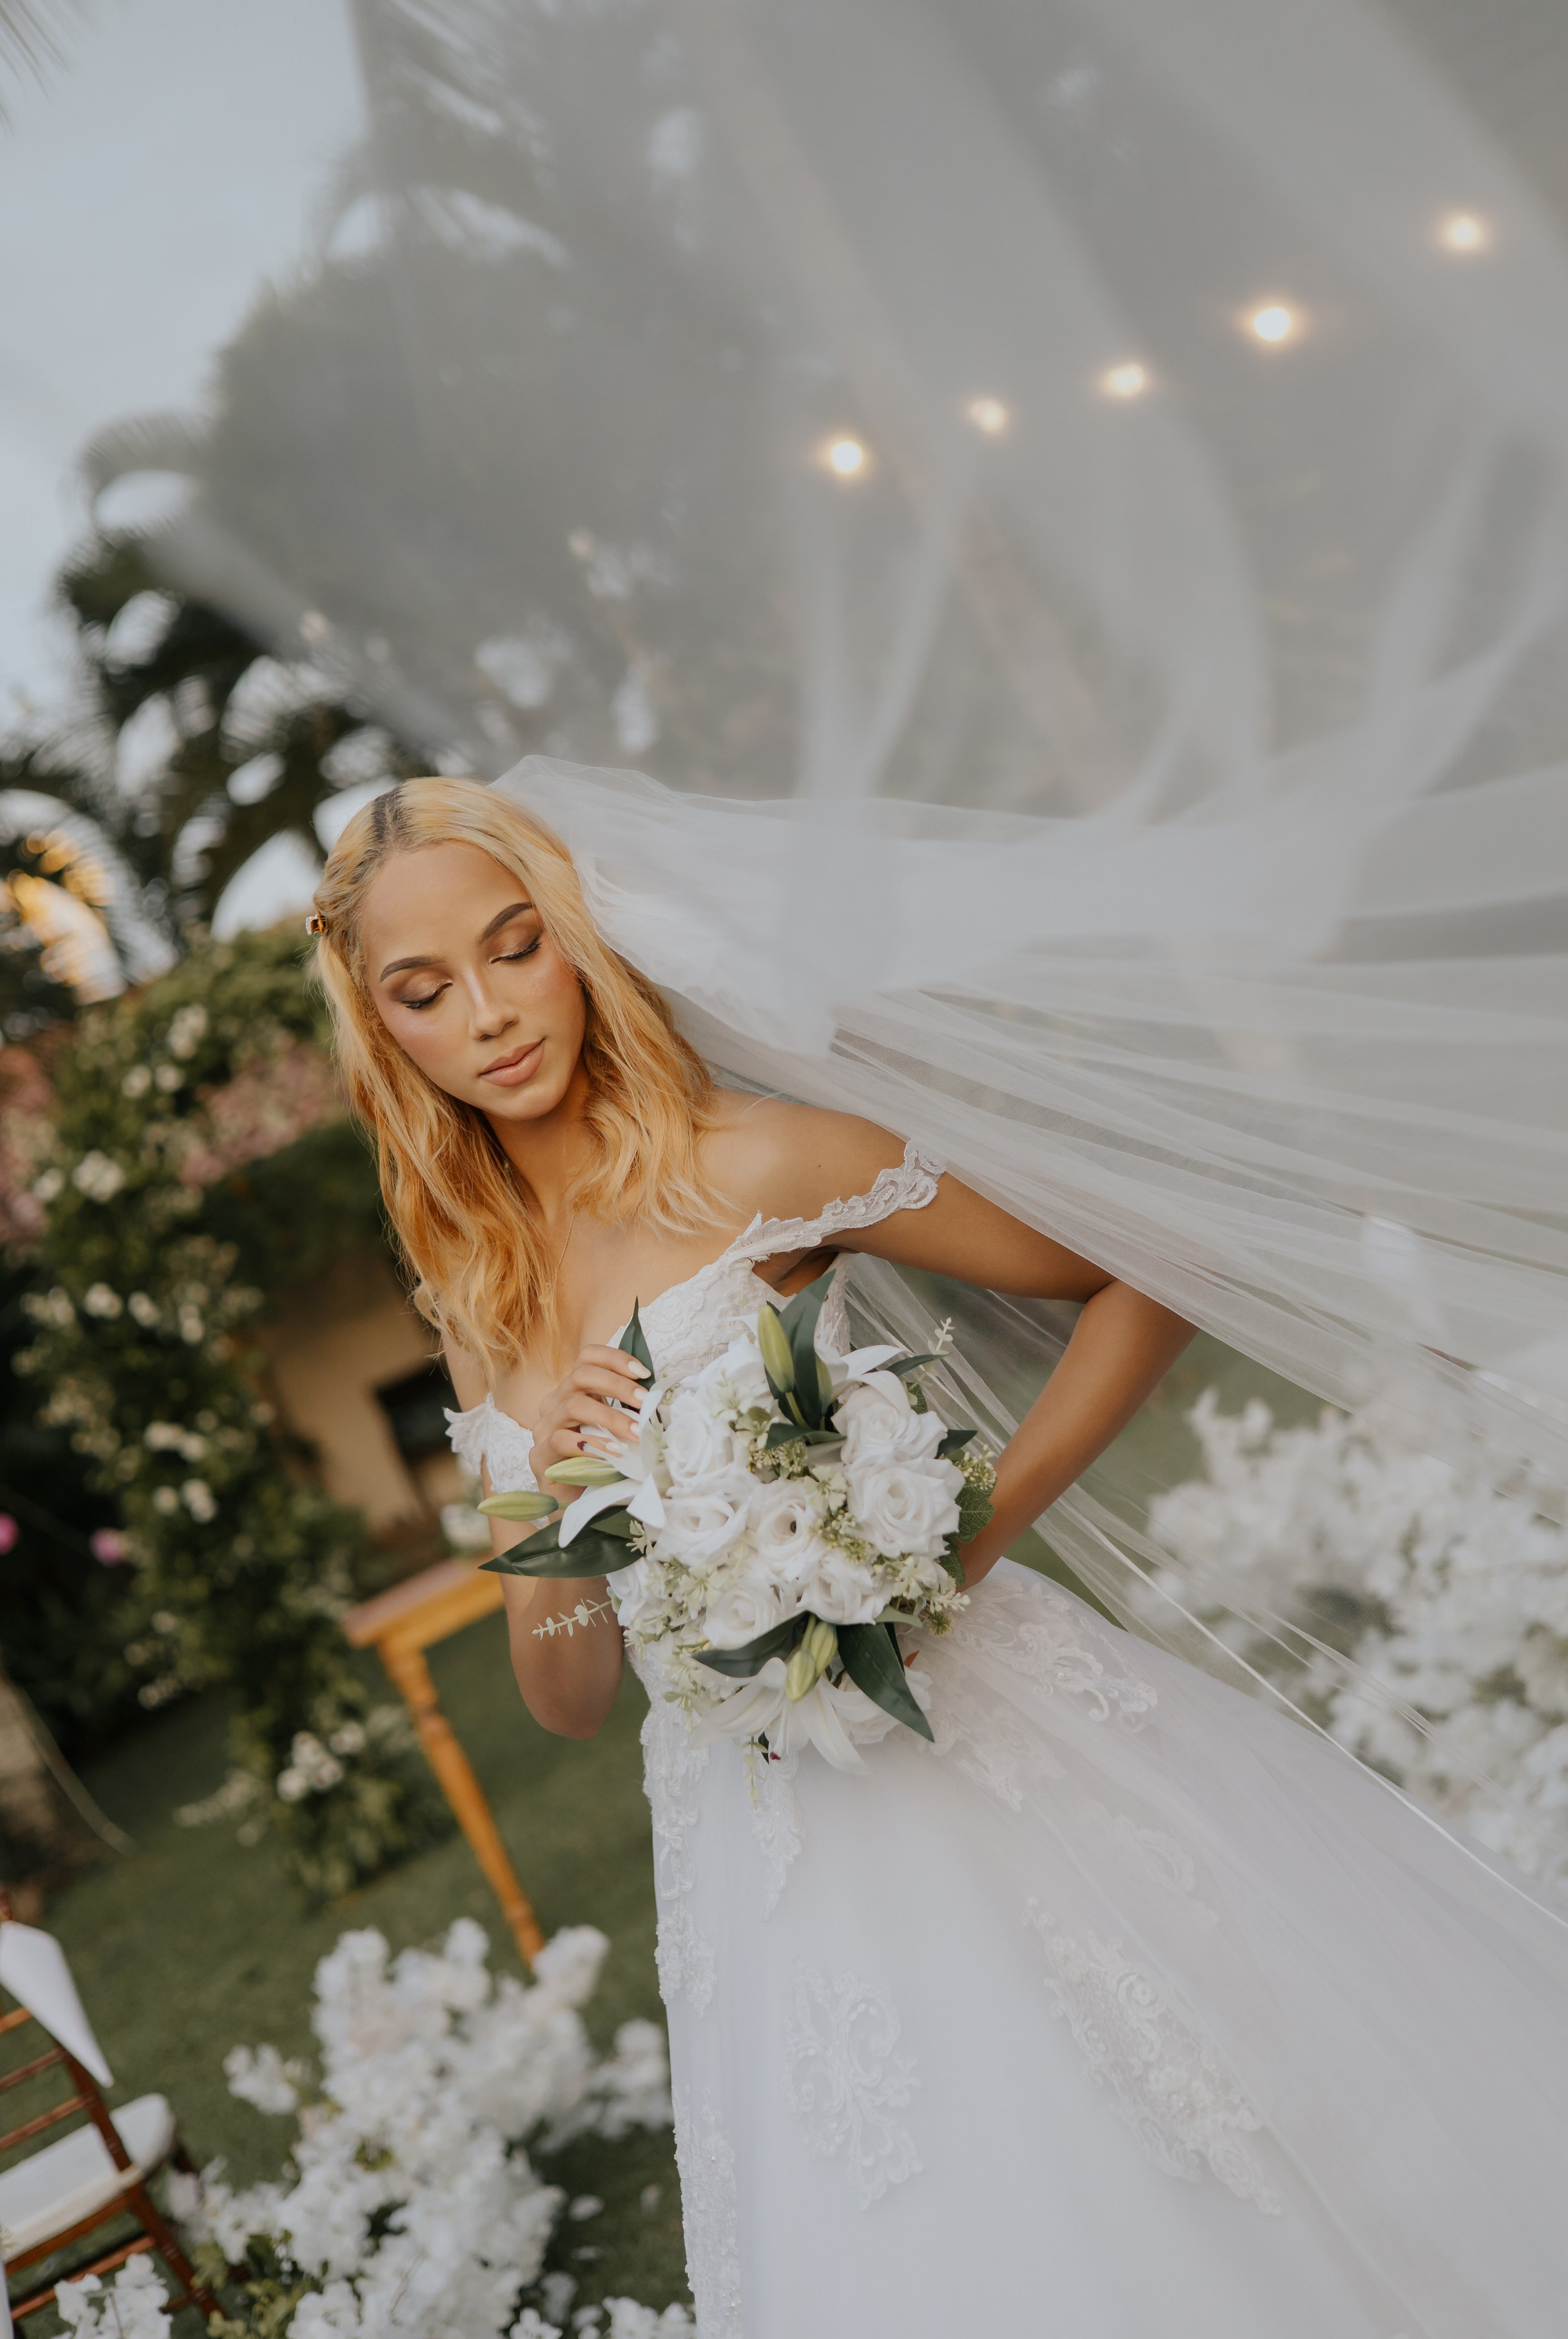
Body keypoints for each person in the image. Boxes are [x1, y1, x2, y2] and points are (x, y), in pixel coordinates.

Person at [312, 775, 1568, 2339]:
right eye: (425, 992)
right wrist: (541, 1505)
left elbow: (1144, 1262)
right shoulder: (470, 1299)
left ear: (576, 940)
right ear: (384, 1033)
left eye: (516, 950)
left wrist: (967, 1537)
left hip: (977, 1753)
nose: (491, 1016)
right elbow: (564, 1699)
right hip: (747, 1838)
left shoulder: (752, 1162)